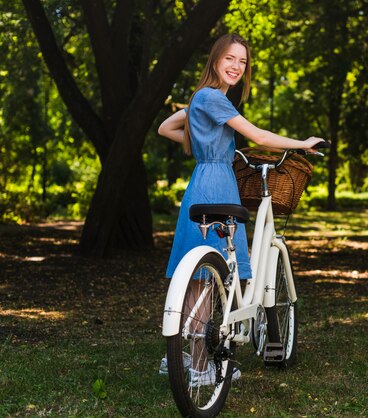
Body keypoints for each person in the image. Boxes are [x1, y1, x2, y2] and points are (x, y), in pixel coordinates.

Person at [157, 33, 325, 384]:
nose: (236, 66)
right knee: (208, 278)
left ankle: (189, 358)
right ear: (215, 60)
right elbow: (259, 137)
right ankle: (203, 369)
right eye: (230, 59)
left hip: (201, 180)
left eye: (243, 62)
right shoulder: (214, 99)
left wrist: (206, 144)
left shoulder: (202, 99)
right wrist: (303, 143)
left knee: (199, 279)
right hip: (218, 183)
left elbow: (165, 127)